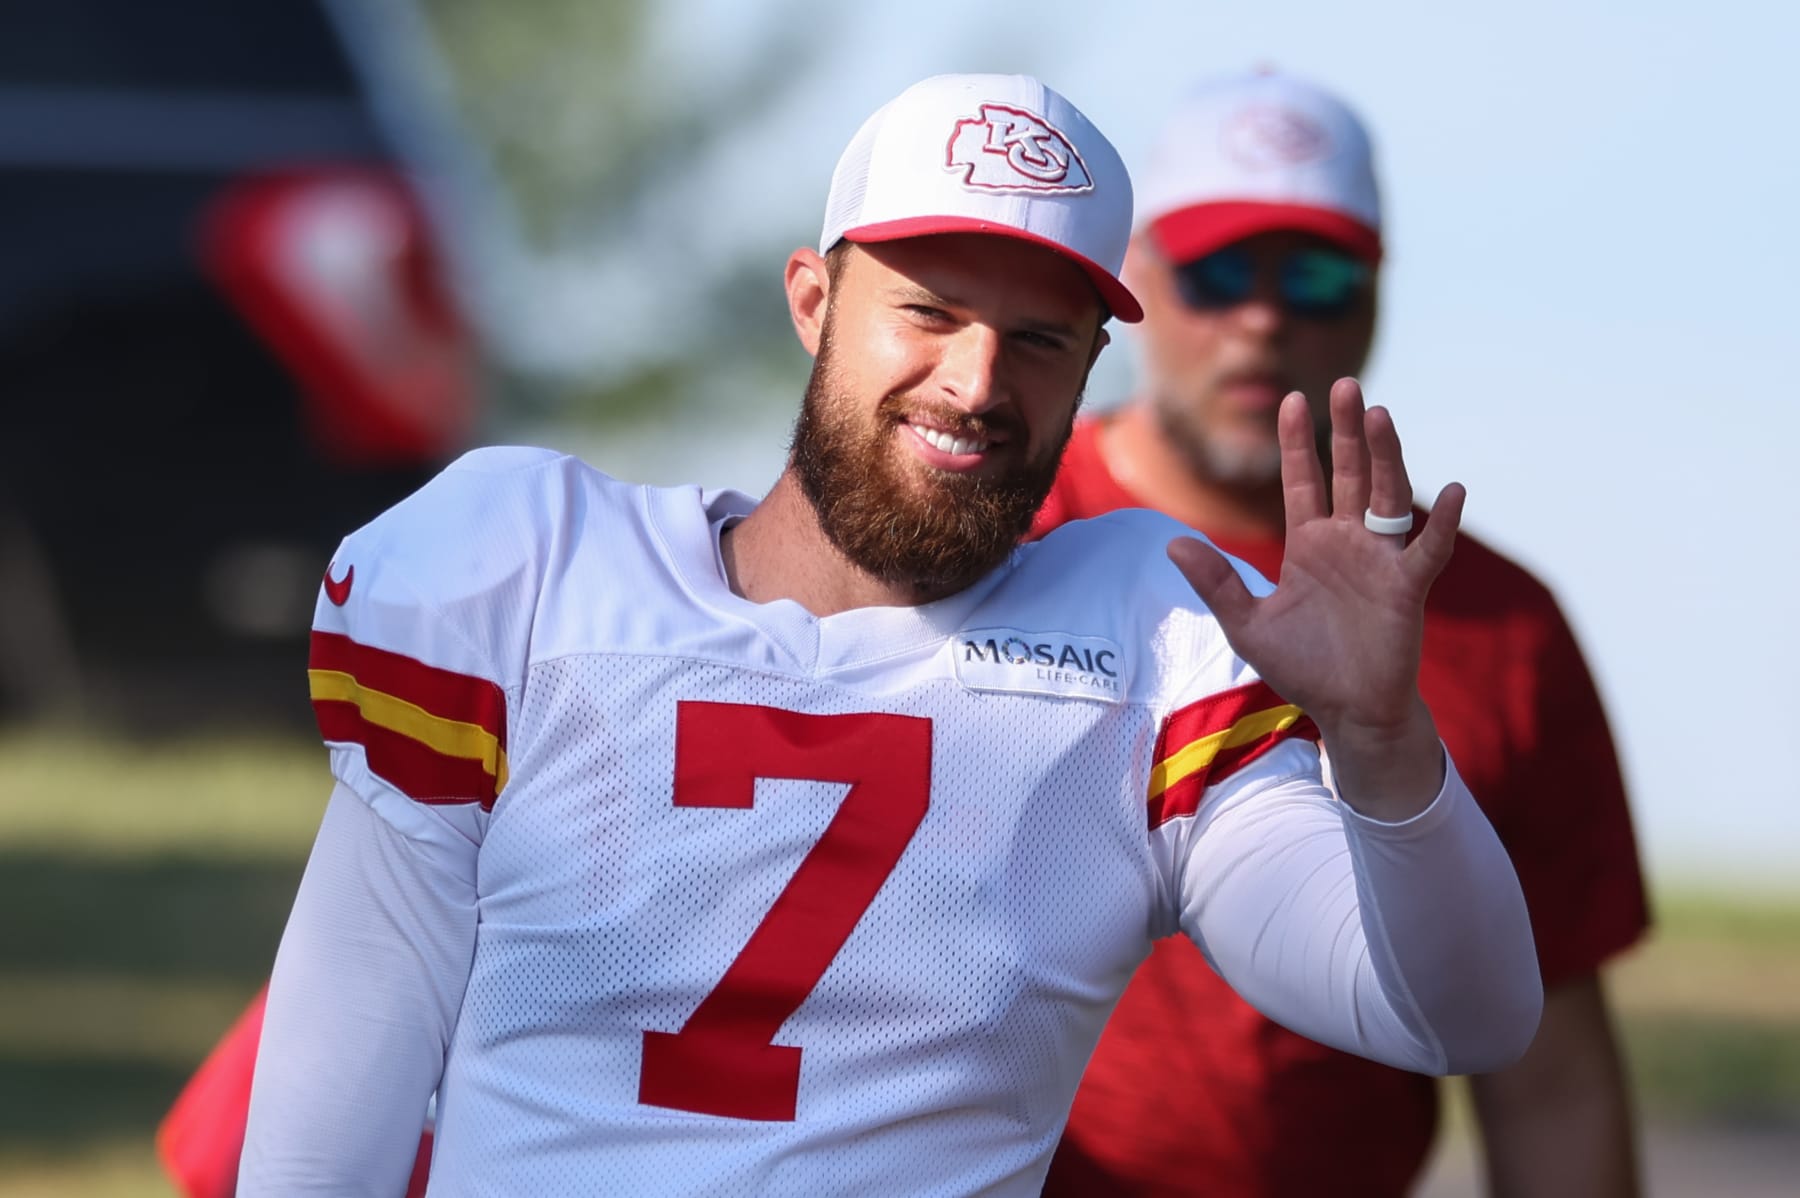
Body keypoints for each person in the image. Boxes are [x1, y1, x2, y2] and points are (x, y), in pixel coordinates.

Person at [236, 72, 1544, 1196]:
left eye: (1038, 338)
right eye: (928, 310)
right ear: (814, 301)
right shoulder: (529, 578)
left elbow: (1455, 1013)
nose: (977, 382)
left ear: (1090, 366)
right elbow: (335, 1089)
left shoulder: (1151, 645)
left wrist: (1381, 739)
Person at [1033, 70, 1649, 1198]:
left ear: (1374, 295)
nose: (1263, 319)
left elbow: (1550, 1079)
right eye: (1218, 272)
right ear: (1137, 279)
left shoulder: (1498, 622)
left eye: (1315, 277)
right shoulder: (1006, 538)